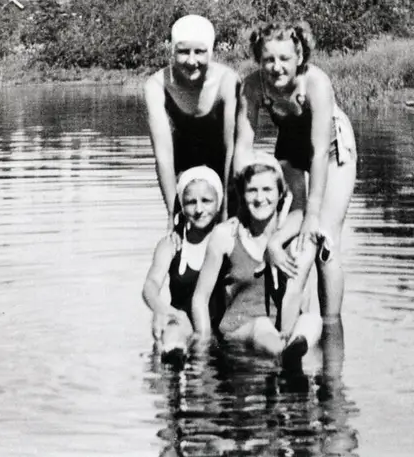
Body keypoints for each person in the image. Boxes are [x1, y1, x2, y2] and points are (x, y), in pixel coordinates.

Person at [234, 21, 356, 324]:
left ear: (299, 56)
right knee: (290, 235)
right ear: (258, 59)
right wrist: (241, 208)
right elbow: (242, 148)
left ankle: (330, 326)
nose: (276, 67)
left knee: (322, 235)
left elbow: (318, 151)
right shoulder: (252, 85)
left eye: (284, 59)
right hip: (290, 141)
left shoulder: (315, 83)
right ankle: (297, 320)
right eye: (268, 60)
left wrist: (313, 213)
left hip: (330, 147)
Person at [191, 153, 321, 364]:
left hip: (283, 330)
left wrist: (287, 332)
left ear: (281, 194)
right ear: (243, 194)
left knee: (312, 320)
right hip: (241, 329)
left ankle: (289, 351)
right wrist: (204, 344)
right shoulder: (226, 236)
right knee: (261, 325)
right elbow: (200, 298)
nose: (260, 199)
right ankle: (285, 359)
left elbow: (295, 295)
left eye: (267, 190)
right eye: (252, 190)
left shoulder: (297, 239)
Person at [144, 14, 240, 243]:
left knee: (227, 238)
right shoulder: (156, 86)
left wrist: (227, 209)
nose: (191, 61)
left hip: (224, 168)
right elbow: (164, 157)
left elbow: (232, 151)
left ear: (212, 52)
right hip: (182, 170)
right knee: (182, 240)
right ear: (172, 51)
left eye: (200, 52)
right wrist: (172, 214)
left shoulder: (228, 81)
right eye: (183, 52)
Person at [142, 166, 225, 365]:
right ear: (181, 205)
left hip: (222, 326)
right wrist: (161, 309)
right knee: (172, 329)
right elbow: (150, 285)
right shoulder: (172, 244)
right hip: (183, 323)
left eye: (206, 201)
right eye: (190, 202)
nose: (198, 210)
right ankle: (173, 359)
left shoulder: (228, 239)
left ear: (219, 203)